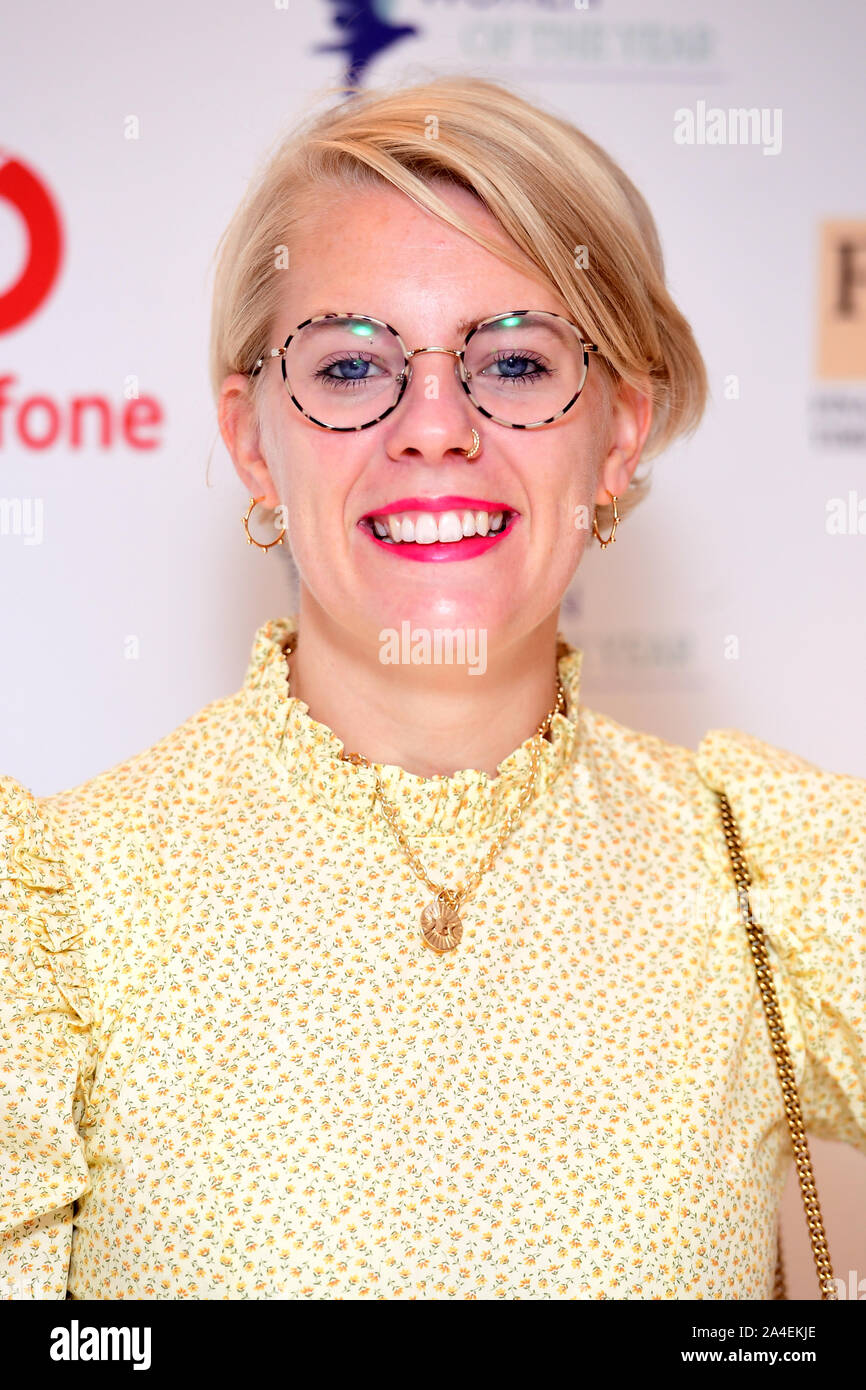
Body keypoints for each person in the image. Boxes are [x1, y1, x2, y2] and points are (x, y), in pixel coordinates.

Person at [1, 75, 863, 1302]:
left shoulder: (760, 867)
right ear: (253, 439)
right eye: (351, 369)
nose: (435, 425)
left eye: (512, 362)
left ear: (617, 433)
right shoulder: (55, 913)